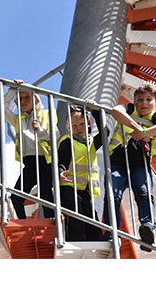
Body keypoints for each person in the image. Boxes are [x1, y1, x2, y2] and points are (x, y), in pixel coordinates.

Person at [102, 83, 156, 252]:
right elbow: (116, 111)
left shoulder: (155, 117)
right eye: (140, 99)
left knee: (143, 192)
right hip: (118, 160)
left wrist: (144, 133)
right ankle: (113, 230)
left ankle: (147, 227)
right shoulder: (130, 110)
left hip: (140, 163)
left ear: (155, 103)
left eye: (149, 99)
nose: (144, 103)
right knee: (113, 194)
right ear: (134, 102)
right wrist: (136, 126)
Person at [5, 79, 59, 219]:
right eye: (20, 98)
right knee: (16, 197)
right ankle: (24, 225)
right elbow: (3, 107)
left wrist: (40, 130)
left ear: (35, 99)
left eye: (26, 97)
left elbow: (55, 135)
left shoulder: (47, 113)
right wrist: (13, 89)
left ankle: (52, 224)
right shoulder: (18, 119)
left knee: (46, 194)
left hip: (44, 160)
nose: (22, 101)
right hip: (28, 162)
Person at [57, 102, 104, 241]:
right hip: (68, 186)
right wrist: (61, 172)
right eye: (74, 126)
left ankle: (95, 239)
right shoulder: (67, 141)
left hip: (84, 188)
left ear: (89, 123)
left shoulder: (91, 142)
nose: (79, 128)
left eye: (82, 124)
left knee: (90, 216)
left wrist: (95, 111)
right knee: (75, 215)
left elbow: (105, 132)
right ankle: (77, 242)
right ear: (68, 128)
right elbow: (63, 159)